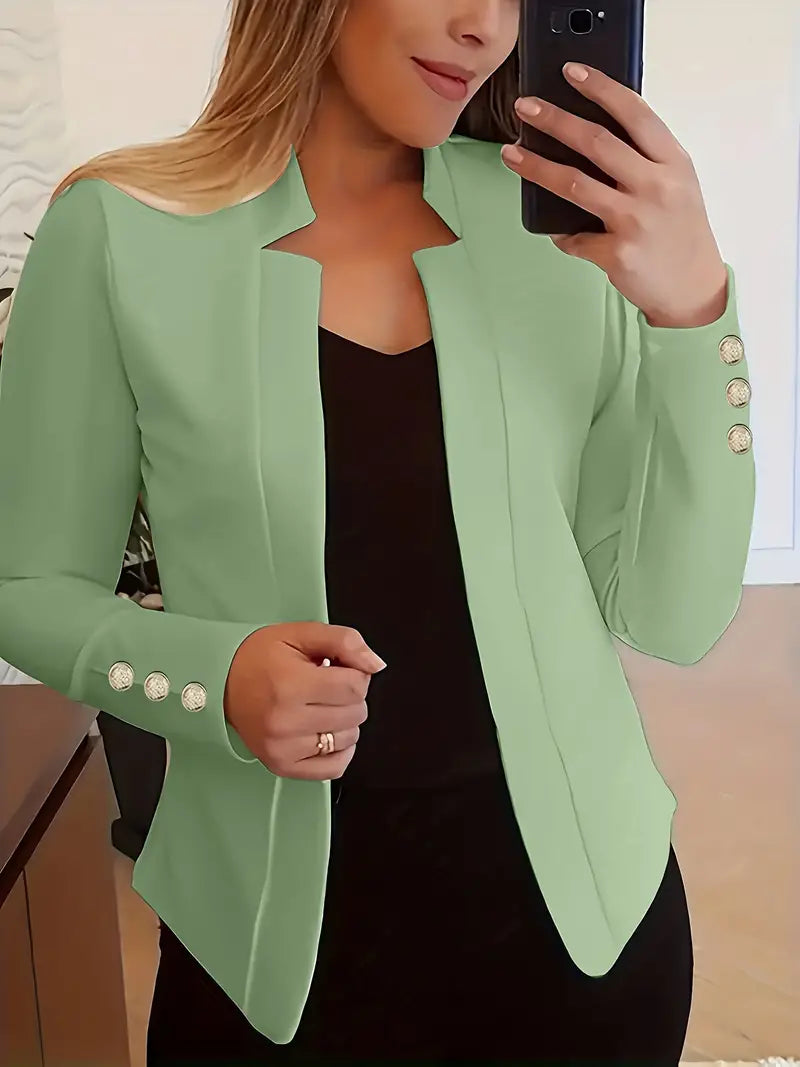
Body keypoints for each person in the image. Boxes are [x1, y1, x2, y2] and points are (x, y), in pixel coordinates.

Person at [0, 0, 756, 1062]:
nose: (483, 26)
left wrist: (693, 315)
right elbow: (27, 584)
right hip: (265, 956)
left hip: (584, 938)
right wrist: (213, 677)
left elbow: (673, 615)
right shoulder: (122, 230)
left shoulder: (564, 235)